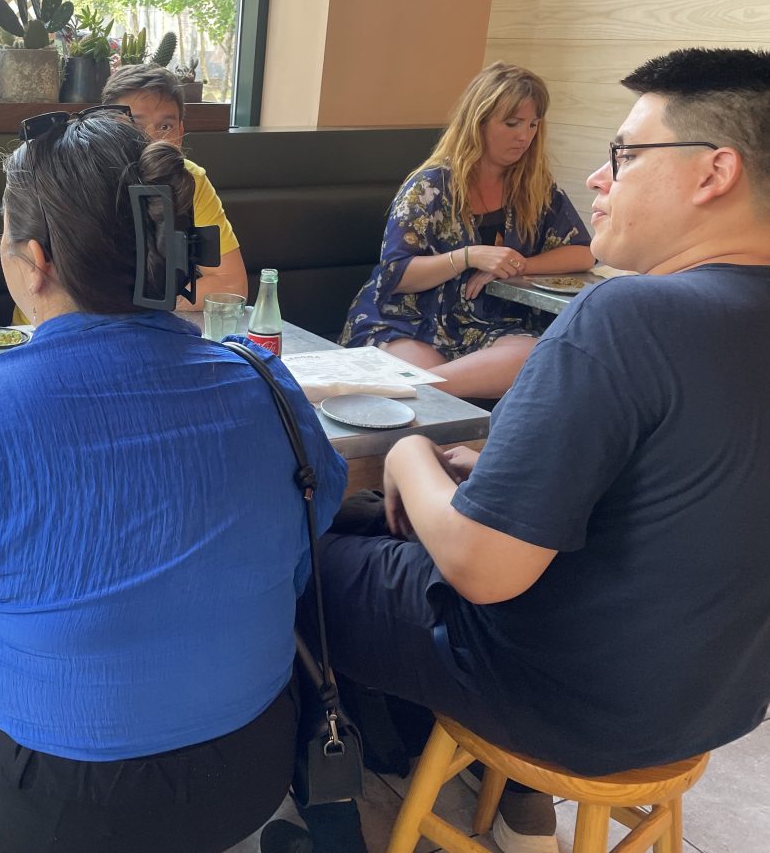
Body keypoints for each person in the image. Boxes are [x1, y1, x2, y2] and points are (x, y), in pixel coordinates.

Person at [266, 47, 770, 853]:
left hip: (566, 701)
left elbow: (481, 569)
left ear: (713, 173)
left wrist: (406, 457)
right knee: (372, 521)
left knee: (287, 556)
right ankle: (430, 751)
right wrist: (475, 470)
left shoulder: (625, 318)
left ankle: (314, 779)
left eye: (625, 156)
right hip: (718, 698)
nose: (600, 179)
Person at [0, 108, 349, 852]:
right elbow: (299, 549)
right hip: (251, 769)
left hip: (46, 813)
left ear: (33, 259)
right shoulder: (265, 382)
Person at [339, 62, 594, 399]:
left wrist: (514, 263)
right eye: (512, 123)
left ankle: (402, 390)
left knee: (535, 355)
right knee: (425, 374)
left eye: (533, 124)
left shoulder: (535, 188)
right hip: (408, 318)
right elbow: (397, 276)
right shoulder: (430, 186)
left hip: (487, 325)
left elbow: (584, 252)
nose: (524, 136)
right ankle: (412, 394)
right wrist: (467, 257)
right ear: (478, 122)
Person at [102, 63, 248, 307]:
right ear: (105, 128)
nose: (151, 140)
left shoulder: (191, 179)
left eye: (165, 127)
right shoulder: (79, 175)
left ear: (180, 132)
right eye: (134, 125)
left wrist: (151, 309)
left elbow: (231, 285)